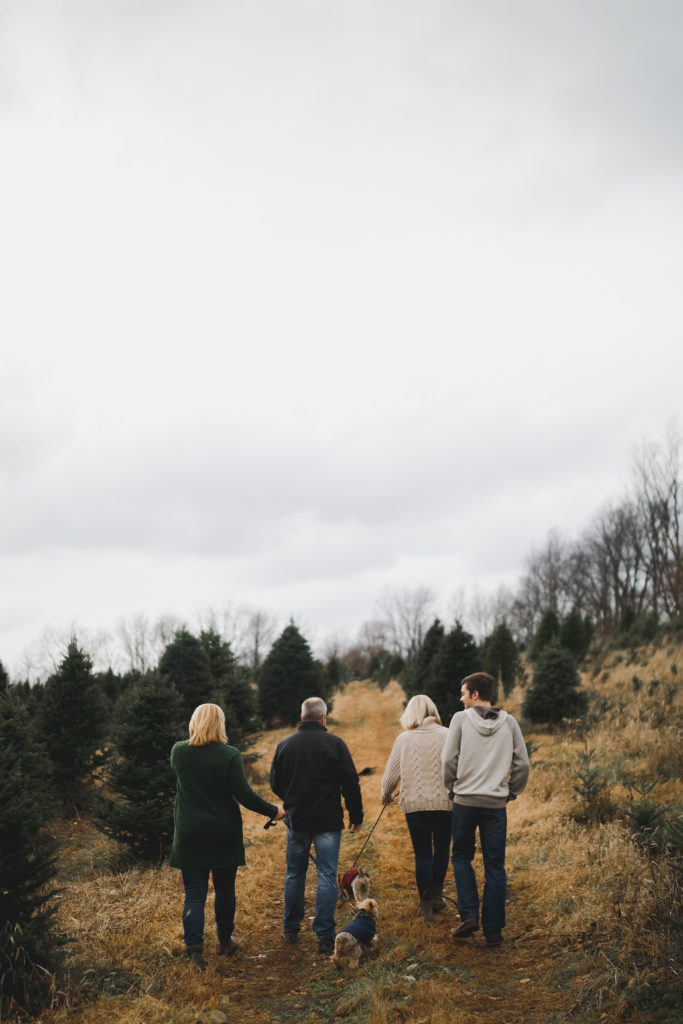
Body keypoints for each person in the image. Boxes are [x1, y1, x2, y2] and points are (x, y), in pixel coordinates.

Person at [170, 703, 285, 970]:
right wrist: (273, 811)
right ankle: (224, 942)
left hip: (189, 833)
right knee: (224, 888)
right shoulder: (229, 754)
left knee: (195, 894)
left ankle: (195, 951)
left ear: (194, 722)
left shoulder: (178, 751)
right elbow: (244, 795)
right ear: (220, 724)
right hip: (223, 832)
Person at [441, 672, 530, 948]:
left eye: (463, 693)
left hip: (465, 802)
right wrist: (510, 792)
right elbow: (523, 764)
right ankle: (493, 930)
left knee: (460, 857)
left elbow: (448, 759)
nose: (461, 698)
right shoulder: (510, 723)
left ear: (475, 695)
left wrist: (452, 788)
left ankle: (469, 915)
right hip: (495, 805)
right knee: (495, 866)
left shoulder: (460, 719)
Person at [269, 696, 364, 955]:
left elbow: (275, 783)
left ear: (302, 717)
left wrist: (290, 799)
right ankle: (324, 936)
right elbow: (350, 783)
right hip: (327, 822)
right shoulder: (335, 744)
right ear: (324, 717)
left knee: (294, 874)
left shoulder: (284, 745)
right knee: (325, 876)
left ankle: (290, 929)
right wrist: (356, 815)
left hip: (297, 821)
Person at [380, 694, 452, 921]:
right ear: (433, 711)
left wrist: (386, 795)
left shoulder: (405, 738)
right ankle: (438, 894)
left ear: (410, 713)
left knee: (422, 853)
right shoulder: (448, 734)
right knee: (441, 849)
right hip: (445, 804)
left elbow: (391, 775)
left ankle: (426, 904)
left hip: (416, 806)